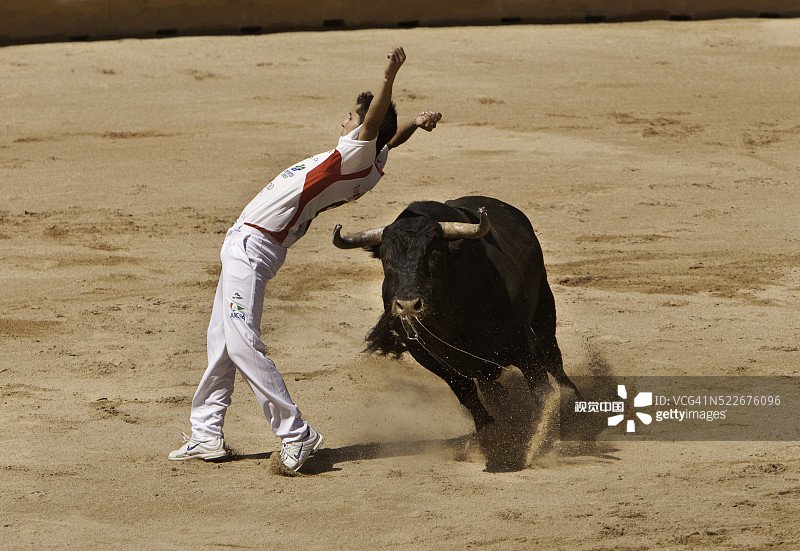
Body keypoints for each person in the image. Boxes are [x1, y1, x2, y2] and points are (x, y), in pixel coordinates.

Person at [169, 46, 442, 472]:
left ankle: (296, 434)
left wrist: (389, 76)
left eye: (351, 117)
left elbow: (376, 126)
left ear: (363, 128)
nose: (345, 121)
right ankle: (206, 434)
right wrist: (417, 123)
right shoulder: (367, 164)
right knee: (221, 341)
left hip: (254, 247)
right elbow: (389, 136)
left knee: (241, 342)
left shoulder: (355, 153)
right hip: (249, 244)